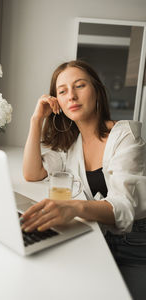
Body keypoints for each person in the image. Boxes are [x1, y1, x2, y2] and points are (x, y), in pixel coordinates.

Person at [22, 60, 146, 300]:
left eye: (80, 86)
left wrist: (73, 207)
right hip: (99, 236)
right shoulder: (72, 145)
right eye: (62, 91)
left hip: (137, 245)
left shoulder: (125, 136)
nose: (72, 96)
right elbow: (32, 172)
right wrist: (36, 120)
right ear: (56, 102)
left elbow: (123, 206)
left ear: (97, 91)